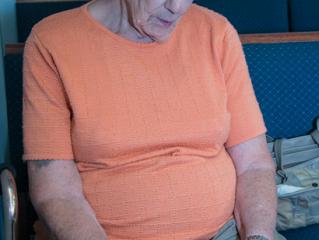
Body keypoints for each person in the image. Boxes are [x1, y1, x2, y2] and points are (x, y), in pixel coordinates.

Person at [22, 0, 284, 239]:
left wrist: (258, 236)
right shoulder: (52, 42)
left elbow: (253, 164)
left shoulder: (216, 32)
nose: (178, 7)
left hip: (224, 233)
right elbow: (56, 192)